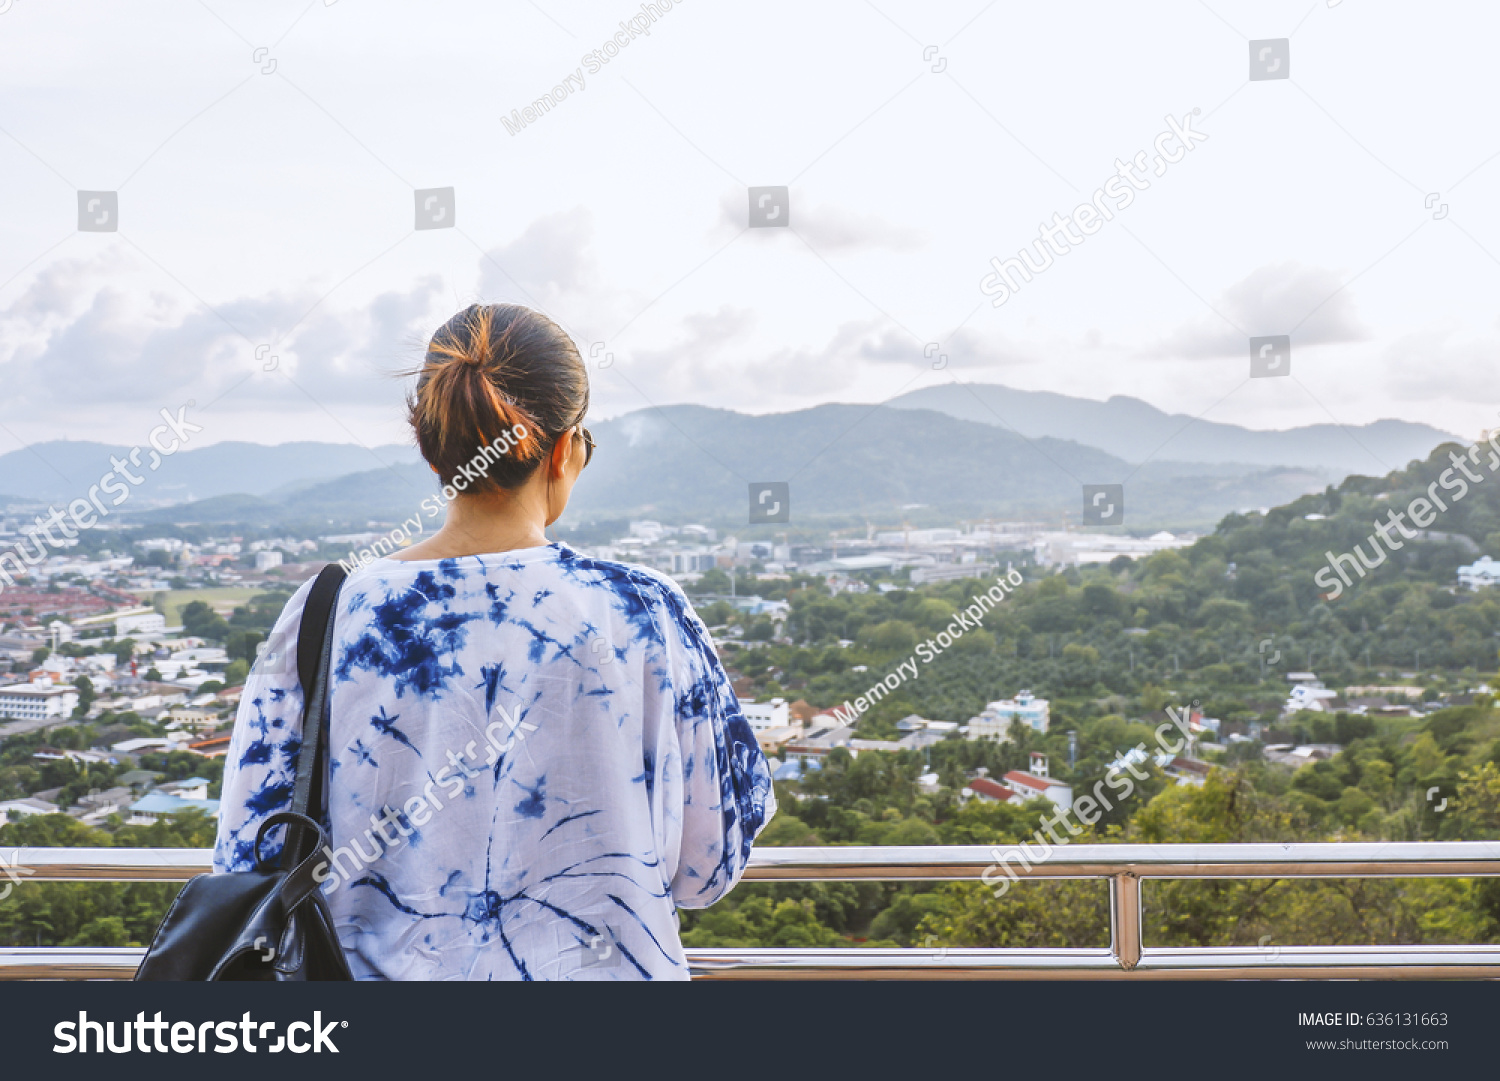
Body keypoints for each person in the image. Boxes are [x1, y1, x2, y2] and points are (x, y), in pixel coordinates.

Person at [214, 303, 775, 980]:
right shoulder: (644, 611)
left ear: (427, 445)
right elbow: (705, 870)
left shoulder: (325, 613)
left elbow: (248, 856)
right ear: (566, 449)